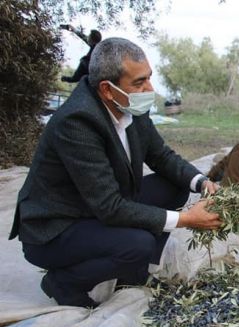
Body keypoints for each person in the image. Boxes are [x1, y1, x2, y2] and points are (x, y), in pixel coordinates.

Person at [9, 37, 222, 308]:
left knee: (176, 185)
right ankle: (64, 282)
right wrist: (187, 219)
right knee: (139, 243)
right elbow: (110, 207)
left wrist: (201, 182)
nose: (150, 89)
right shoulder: (77, 122)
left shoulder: (130, 106)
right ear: (107, 90)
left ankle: (133, 273)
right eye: (139, 82)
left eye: (149, 78)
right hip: (57, 227)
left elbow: (161, 156)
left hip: (95, 206)